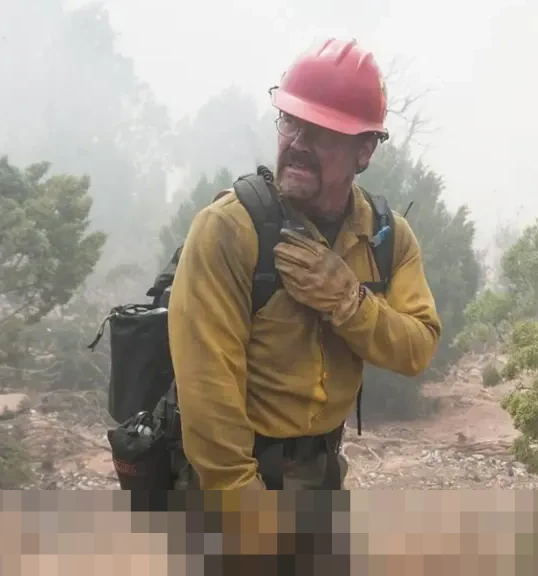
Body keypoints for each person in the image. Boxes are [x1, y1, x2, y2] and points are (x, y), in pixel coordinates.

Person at [166, 37, 442, 491]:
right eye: (291, 122)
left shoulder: (387, 238)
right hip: (229, 478)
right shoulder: (229, 230)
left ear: (365, 150)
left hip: (321, 472)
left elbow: (417, 348)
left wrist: (350, 304)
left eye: (321, 131)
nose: (297, 143)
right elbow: (208, 394)